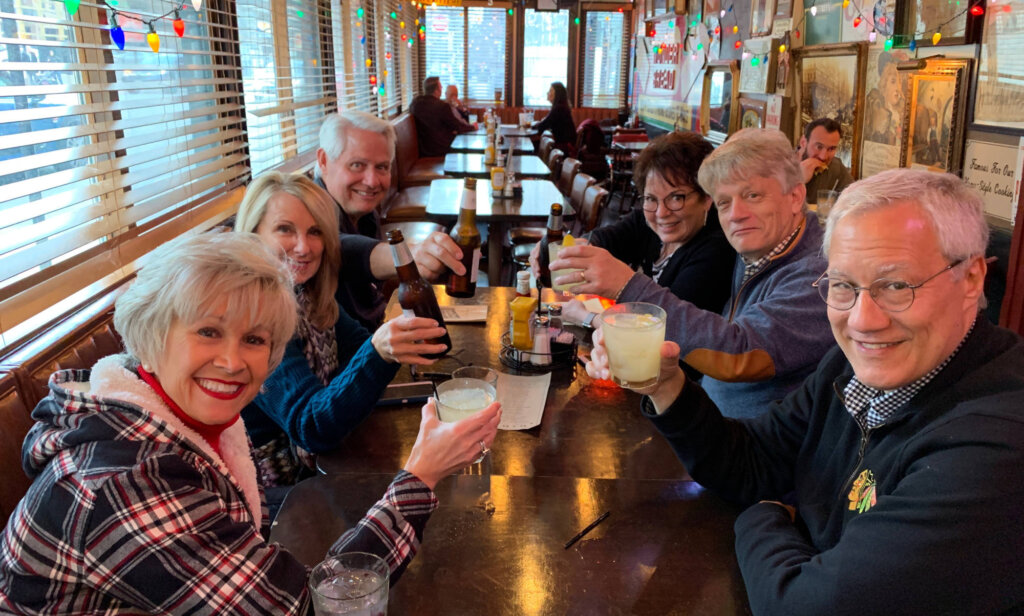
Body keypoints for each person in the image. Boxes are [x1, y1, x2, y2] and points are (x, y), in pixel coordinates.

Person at [585, 168, 1024, 614]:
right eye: (843, 285)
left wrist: (765, 515)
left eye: (896, 286)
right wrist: (666, 384)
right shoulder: (851, 368)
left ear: (971, 279)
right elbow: (750, 462)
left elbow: (805, 606)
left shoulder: (998, 444)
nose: (862, 320)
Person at [0, 232, 501, 613]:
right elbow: (309, 606)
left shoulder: (166, 418)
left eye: (256, 339)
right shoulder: (120, 484)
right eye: (208, 331)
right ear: (151, 336)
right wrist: (421, 475)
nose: (233, 361)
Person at [552, 128, 834, 416]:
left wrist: (625, 286)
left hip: (756, 449)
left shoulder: (821, 276)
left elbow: (741, 354)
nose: (736, 213)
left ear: (796, 196)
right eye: (725, 201)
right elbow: (630, 228)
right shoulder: (754, 246)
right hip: (708, 419)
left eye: (753, 195)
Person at [235, 171, 449, 489]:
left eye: (315, 232)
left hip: (328, 462)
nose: (304, 247)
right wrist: (379, 352)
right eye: (284, 230)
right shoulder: (249, 317)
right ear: (253, 235)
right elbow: (312, 427)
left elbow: (359, 352)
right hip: (277, 489)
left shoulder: (308, 296)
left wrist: (396, 347)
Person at [532, 131, 734, 352]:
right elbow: (605, 238)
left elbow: (665, 335)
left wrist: (587, 316)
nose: (662, 213)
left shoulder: (716, 251)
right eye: (651, 199)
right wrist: (566, 249)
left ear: (707, 198)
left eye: (677, 197)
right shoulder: (647, 223)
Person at [316, 110, 466, 329]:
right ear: (323, 161)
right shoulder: (308, 214)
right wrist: (409, 255)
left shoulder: (365, 214)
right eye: (357, 165)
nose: (372, 181)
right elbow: (338, 248)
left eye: (382, 167)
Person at [410, 76, 475, 157]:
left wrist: (461, 108)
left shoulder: (415, 104)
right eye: (440, 87)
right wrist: (473, 127)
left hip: (423, 150)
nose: (441, 89)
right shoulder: (442, 106)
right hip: (441, 149)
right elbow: (458, 126)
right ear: (437, 91)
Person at [798, 118, 853, 203]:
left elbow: (855, 197)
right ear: (803, 142)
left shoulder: (836, 167)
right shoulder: (779, 165)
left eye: (831, 148)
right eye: (819, 147)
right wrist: (798, 180)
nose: (823, 157)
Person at [864, 51, 906, 146]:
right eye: (893, 81)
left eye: (900, 82)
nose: (898, 88)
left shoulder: (900, 113)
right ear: (884, 83)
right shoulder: (877, 110)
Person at [532, 82, 577, 156]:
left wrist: (532, 126)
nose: (547, 93)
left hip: (565, 147)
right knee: (536, 145)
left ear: (557, 94)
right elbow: (546, 124)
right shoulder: (561, 106)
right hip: (565, 144)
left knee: (533, 147)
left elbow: (542, 127)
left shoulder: (559, 108)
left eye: (550, 91)